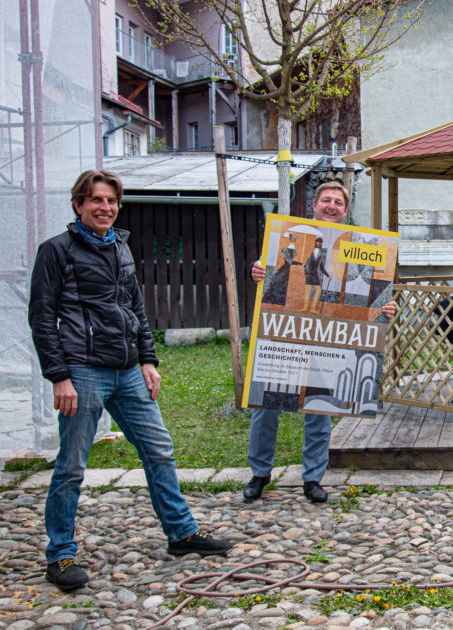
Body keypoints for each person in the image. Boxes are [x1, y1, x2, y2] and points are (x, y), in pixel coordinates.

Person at [28, 170, 231, 592]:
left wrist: (148, 359)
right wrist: (59, 376)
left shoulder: (120, 246)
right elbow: (42, 318)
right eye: (96, 200)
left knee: (159, 450)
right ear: (78, 205)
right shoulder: (57, 251)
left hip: (127, 370)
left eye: (111, 202)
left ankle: (181, 533)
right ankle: (60, 554)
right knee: (71, 467)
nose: (105, 208)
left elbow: (134, 307)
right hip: (82, 371)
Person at [246, 181, 396, 503]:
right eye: (326, 200)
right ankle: (260, 473)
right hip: (286, 333)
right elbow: (267, 268)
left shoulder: (363, 244)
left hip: (327, 337)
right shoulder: (290, 232)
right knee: (266, 404)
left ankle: (313, 478)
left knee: (318, 407)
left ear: (345, 210)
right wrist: (256, 270)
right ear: (314, 205)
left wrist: (384, 307)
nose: (331, 206)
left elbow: (373, 290)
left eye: (338, 202)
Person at [302, 236, 327, 311]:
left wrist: (328, 276)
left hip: (315, 274)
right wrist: (306, 272)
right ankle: (305, 308)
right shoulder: (311, 253)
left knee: (318, 290)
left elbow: (322, 268)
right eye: (318, 242)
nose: (319, 244)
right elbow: (306, 264)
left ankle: (312, 308)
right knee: (307, 290)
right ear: (315, 243)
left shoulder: (320, 255)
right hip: (309, 274)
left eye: (320, 243)